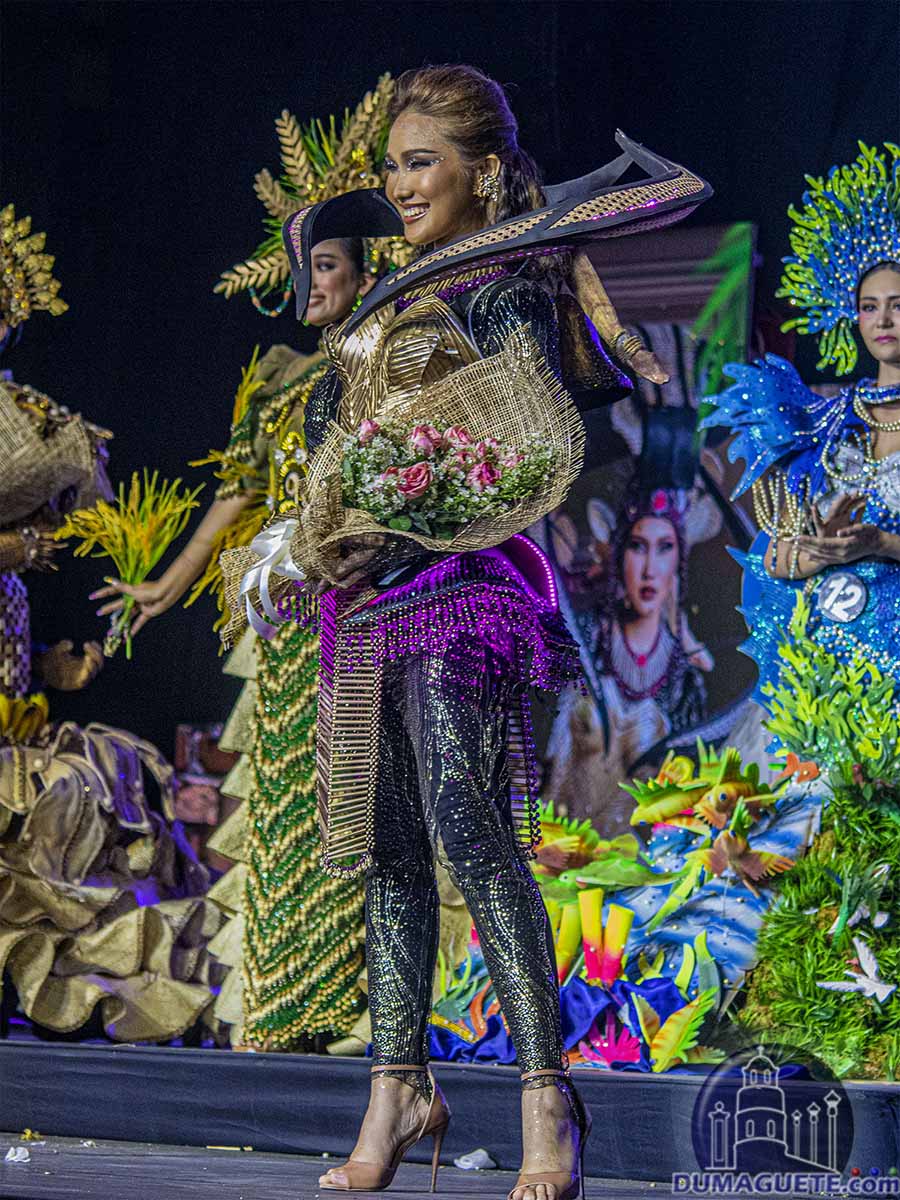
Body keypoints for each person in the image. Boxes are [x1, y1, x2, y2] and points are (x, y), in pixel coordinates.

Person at [247, 65, 709, 1198]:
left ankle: (550, 1101)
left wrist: (385, 521)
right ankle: (396, 1086)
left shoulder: (504, 287)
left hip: (469, 588)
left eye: (424, 162)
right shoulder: (386, 305)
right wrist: (315, 537)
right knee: (390, 845)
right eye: (395, 164)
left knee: (467, 823)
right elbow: (345, 450)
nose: (403, 184)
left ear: (484, 169)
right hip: (368, 597)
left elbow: (524, 451)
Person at [90, 82, 399, 1049]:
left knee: (365, 803)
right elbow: (235, 495)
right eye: (305, 268)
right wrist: (168, 585)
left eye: (333, 267)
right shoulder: (280, 384)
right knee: (284, 812)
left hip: (376, 610)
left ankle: (367, 1006)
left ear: (368, 270)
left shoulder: (396, 364)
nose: (314, 286)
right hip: (289, 629)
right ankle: (283, 1004)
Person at [0, 203, 218, 1041]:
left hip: (15, 714)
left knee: (84, 795)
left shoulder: (30, 419)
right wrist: (15, 547)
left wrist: (56, 669)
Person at [702, 142, 900, 693]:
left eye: (898, 303)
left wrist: (881, 546)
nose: (882, 318)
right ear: (851, 314)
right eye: (869, 305)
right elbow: (774, 555)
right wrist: (815, 552)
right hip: (831, 667)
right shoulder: (824, 423)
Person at [546, 473, 714, 837]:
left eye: (665, 547)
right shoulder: (583, 639)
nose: (650, 568)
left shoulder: (683, 680)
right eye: (638, 546)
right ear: (619, 554)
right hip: (563, 848)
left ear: (678, 562)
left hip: (645, 861)